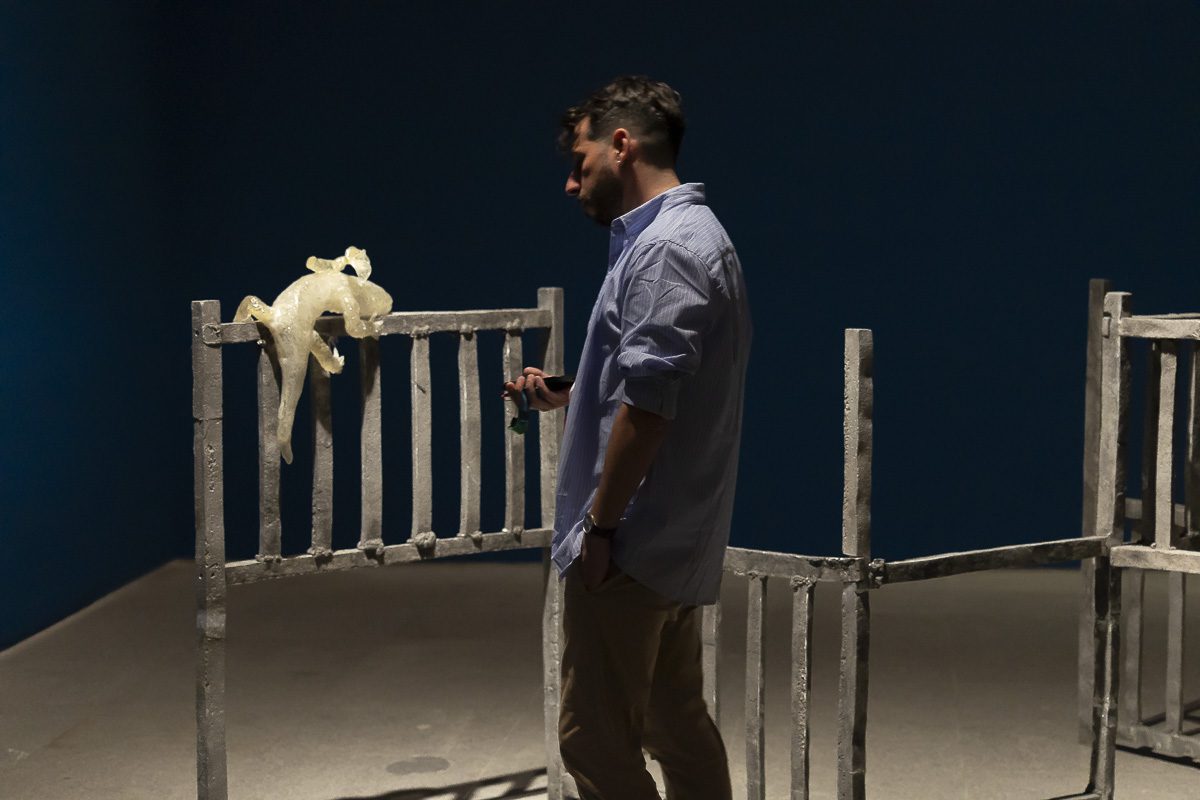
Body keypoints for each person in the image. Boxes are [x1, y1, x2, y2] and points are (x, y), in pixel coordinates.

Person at [504, 75, 751, 800]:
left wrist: (601, 531)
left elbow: (649, 409)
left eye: (579, 163)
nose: (571, 184)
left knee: (594, 739)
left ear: (621, 145)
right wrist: (572, 392)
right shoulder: (691, 237)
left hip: (633, 543)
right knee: (675, 723)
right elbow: (656, 381)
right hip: (666, 537)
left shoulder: (666, 249)